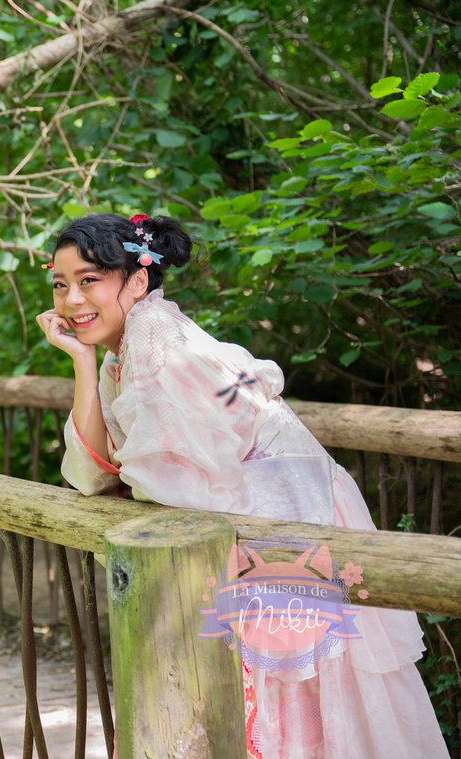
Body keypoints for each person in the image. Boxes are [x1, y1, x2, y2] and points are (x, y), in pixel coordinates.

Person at [35, 213, 447, 759]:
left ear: (137, 281)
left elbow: (157, 479)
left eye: (89, 280)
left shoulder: (163, 348)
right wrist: (83, 364)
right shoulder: (130, 348)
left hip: (289, 518)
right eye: (60, 285)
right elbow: (93, 473)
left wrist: (120, 465)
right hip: (262, 517)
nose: (70, 301)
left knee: (297, 690)